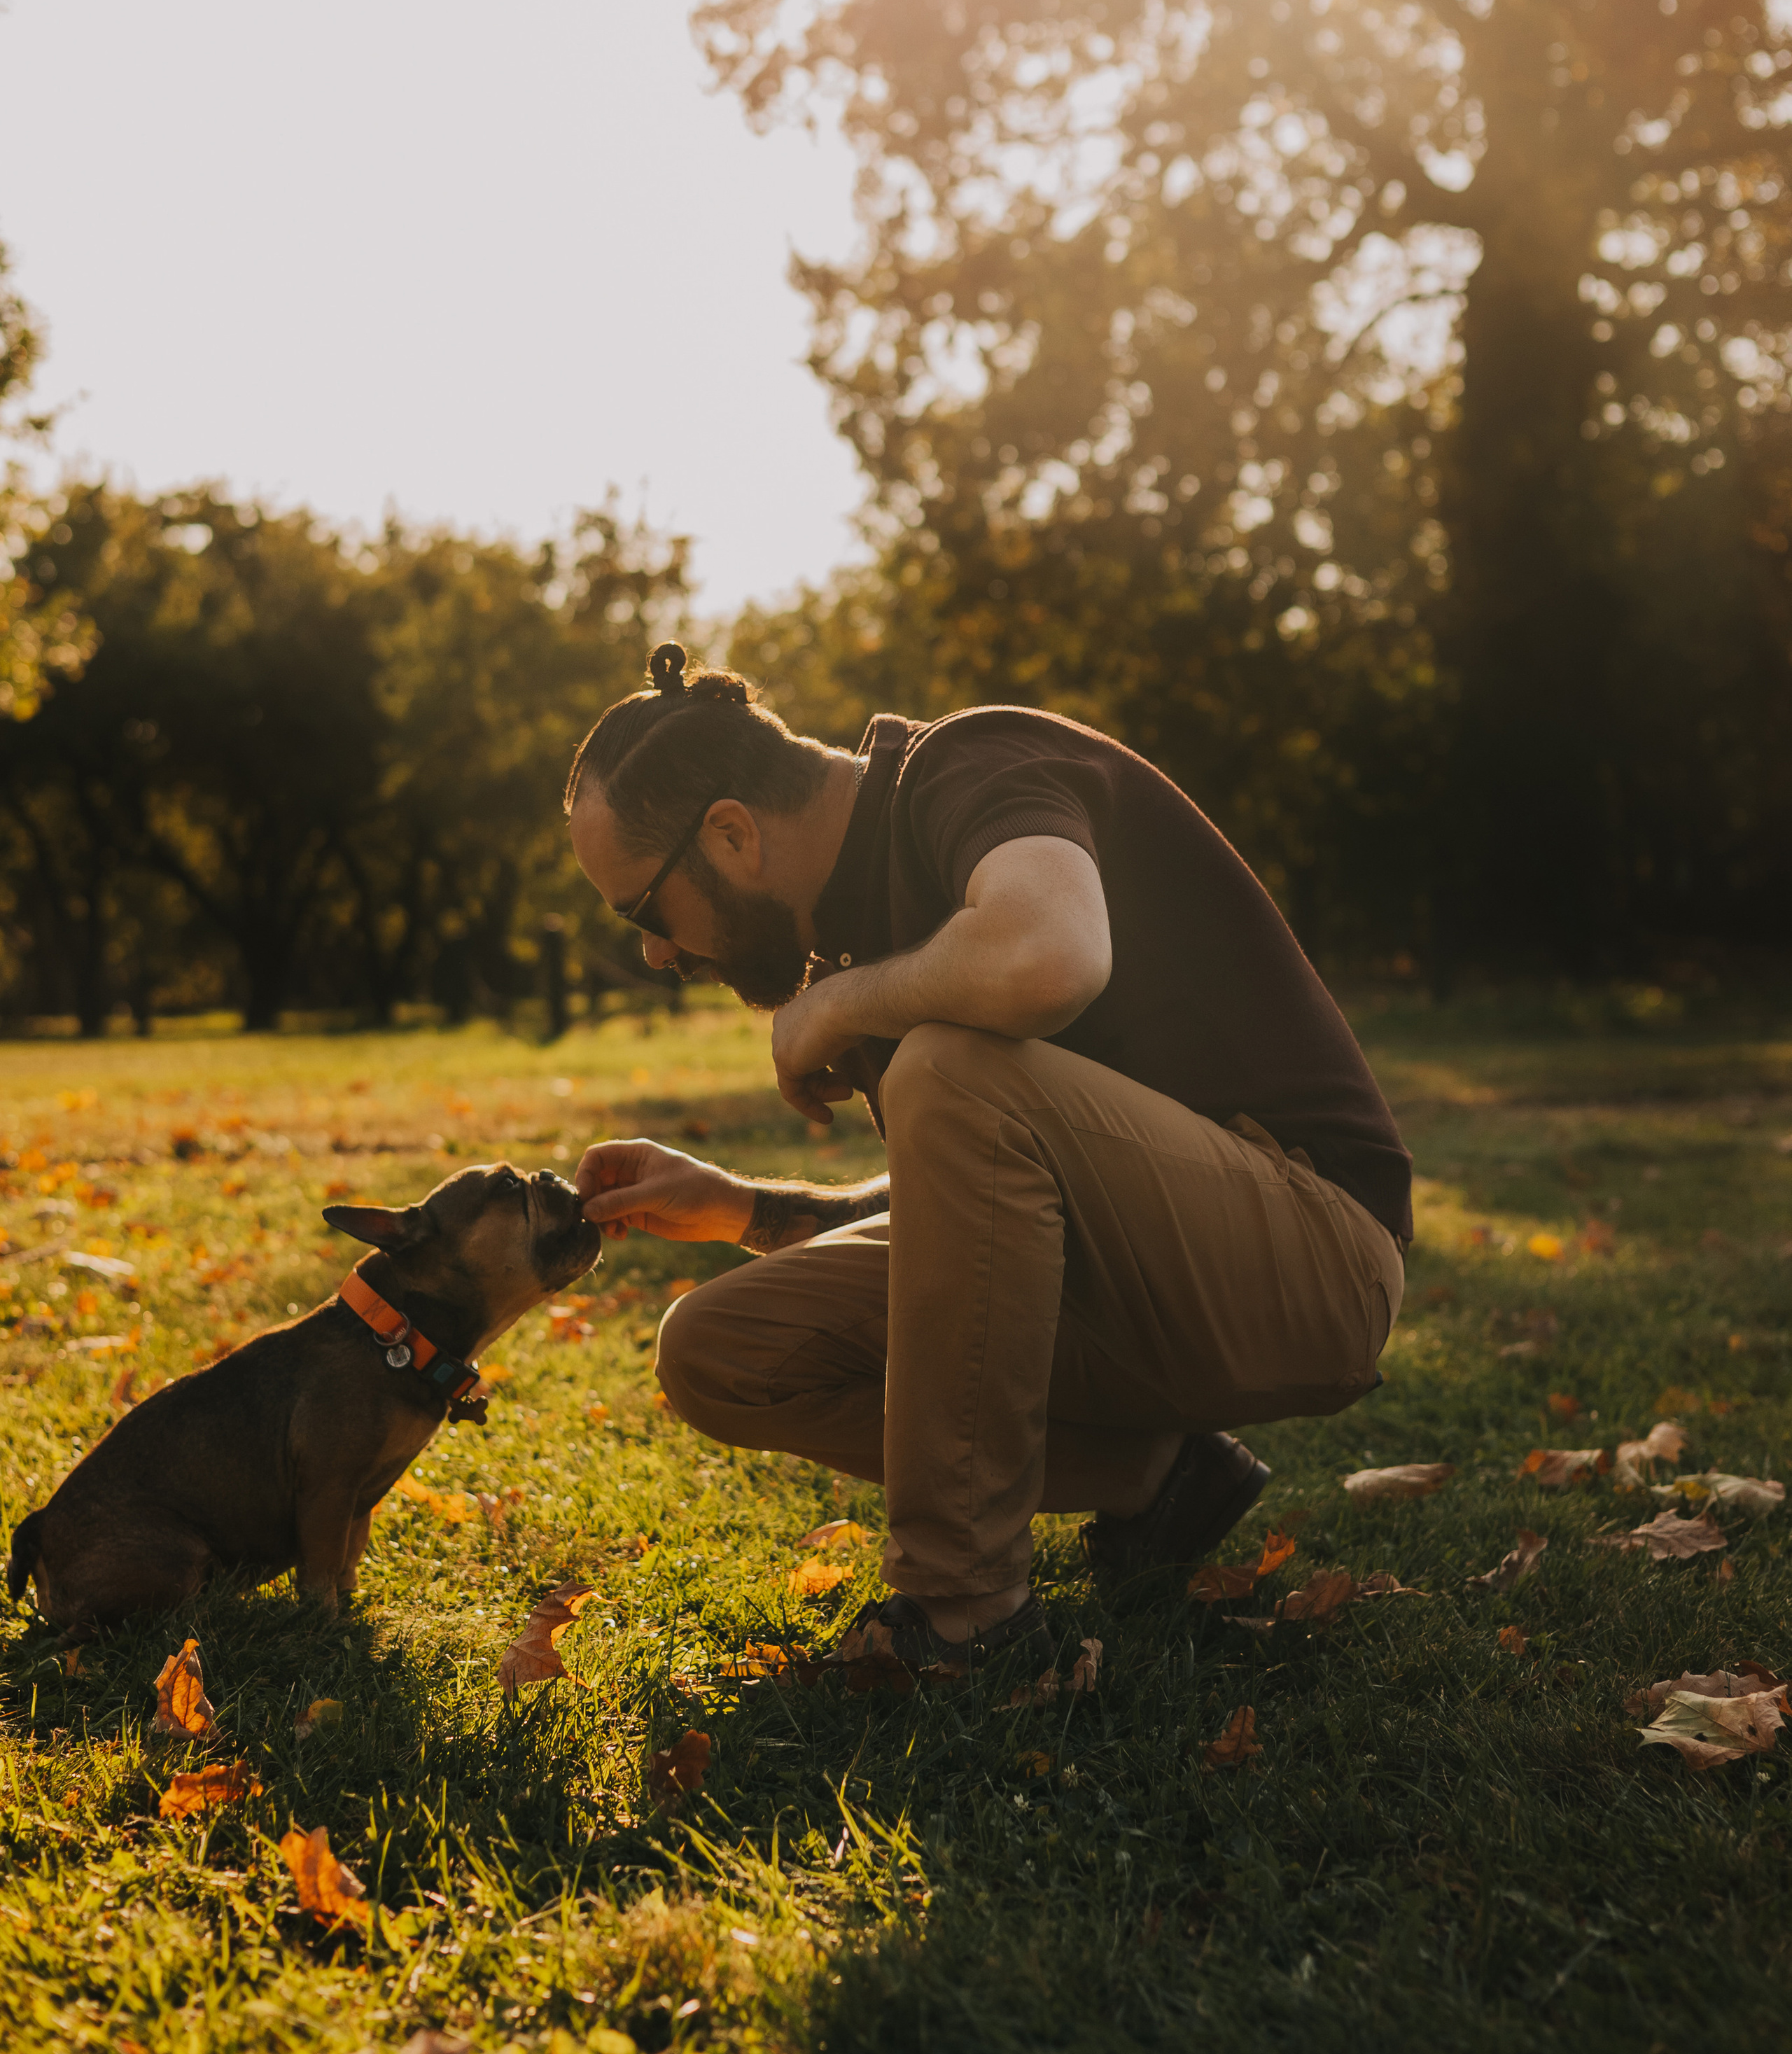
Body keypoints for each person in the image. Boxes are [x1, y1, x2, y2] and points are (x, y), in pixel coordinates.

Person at [566, 642, 1410, 1674]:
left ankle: (967, 1618)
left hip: (1314, 1260)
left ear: (733, 834)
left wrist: (836, 1003)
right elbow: (984, 1206)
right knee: (716, 1349)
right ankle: (1158, 1479)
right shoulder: (857, 934)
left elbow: (1050, 952)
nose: (655, 954)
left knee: (946, 1068)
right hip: (1127, 1294)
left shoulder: (965, 767)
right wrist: (747, 1208)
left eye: (643, 913)